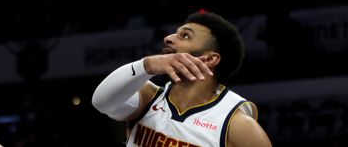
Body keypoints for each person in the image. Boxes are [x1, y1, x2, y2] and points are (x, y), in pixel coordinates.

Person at [91, 11, 272, 147]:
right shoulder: (148, 97)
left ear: (210, 59)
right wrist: (146, 65)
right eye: (174, 33)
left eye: (184, 35)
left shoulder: (235, 123)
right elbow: (101, 102)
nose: (168, 39)